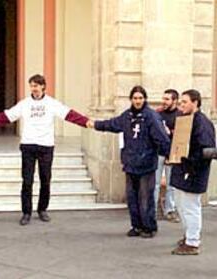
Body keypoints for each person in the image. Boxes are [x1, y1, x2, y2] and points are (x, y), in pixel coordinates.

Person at [0, 74, 90, 226]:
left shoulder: (52, 103)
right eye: (32, 85)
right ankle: (26, 212)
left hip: (46, 146)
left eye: (37, 85)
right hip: (28, 146)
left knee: (45, 180)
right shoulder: (24, 104)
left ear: (43, 86)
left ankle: (42, 209)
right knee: (27, 181)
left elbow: (69, 114)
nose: (34, 88)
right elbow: (7, 116)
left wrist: (86, 122)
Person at [88, 86, 170, 238]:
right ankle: (136, 226)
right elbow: (112, 124)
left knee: (145, 198)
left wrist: (168, 155)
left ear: (144, 99)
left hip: (146, 164)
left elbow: (162, 138)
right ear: (131, 99)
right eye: (135, 98)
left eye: (140, 98)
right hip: (130, 163)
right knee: (132, 198)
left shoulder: (151, 117)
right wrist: (95, 124)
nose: (137, 101)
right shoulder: (127, 116)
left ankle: (149, 227)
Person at [170, 89, 216, 255]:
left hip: (193, 172)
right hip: (183, 169)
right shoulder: (187, 120)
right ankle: (189, 235)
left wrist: (190, 163)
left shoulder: (202, 123)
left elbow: (208, 150)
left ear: (195, 103)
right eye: (180, 102)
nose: (181, 105)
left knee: (190, 207)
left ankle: (192, 242)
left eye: (184, 102)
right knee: (181, 204)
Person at [154, 89, 181, 222]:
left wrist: (169, 132)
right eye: (163, 98)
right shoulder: (157, 114)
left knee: (172, 184)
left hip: (173, 153)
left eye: (167, 99)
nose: (163, 102)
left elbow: (182, 135)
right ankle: (152, 211)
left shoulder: (181, 115)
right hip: (158, 152)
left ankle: (170, 210)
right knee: (155, 183)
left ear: (174, 101)